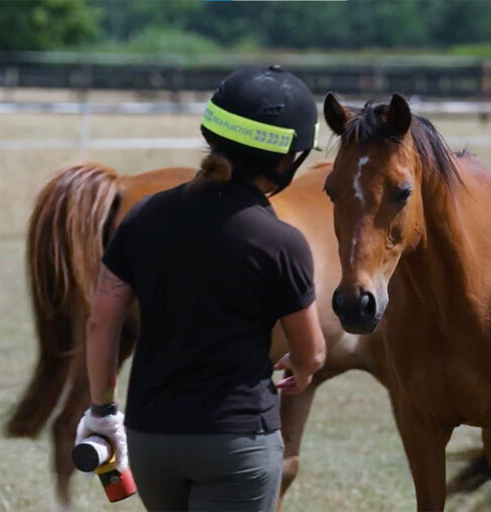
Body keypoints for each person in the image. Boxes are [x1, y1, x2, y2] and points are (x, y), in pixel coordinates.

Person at [74, 65, 327, 511]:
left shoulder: (143, 217)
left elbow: (101, 322)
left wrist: (101, 409)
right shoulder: (282, 241)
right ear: (288, 160)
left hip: (152, 441)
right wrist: (303, 369)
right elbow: (312, 352)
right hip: (237, 445)